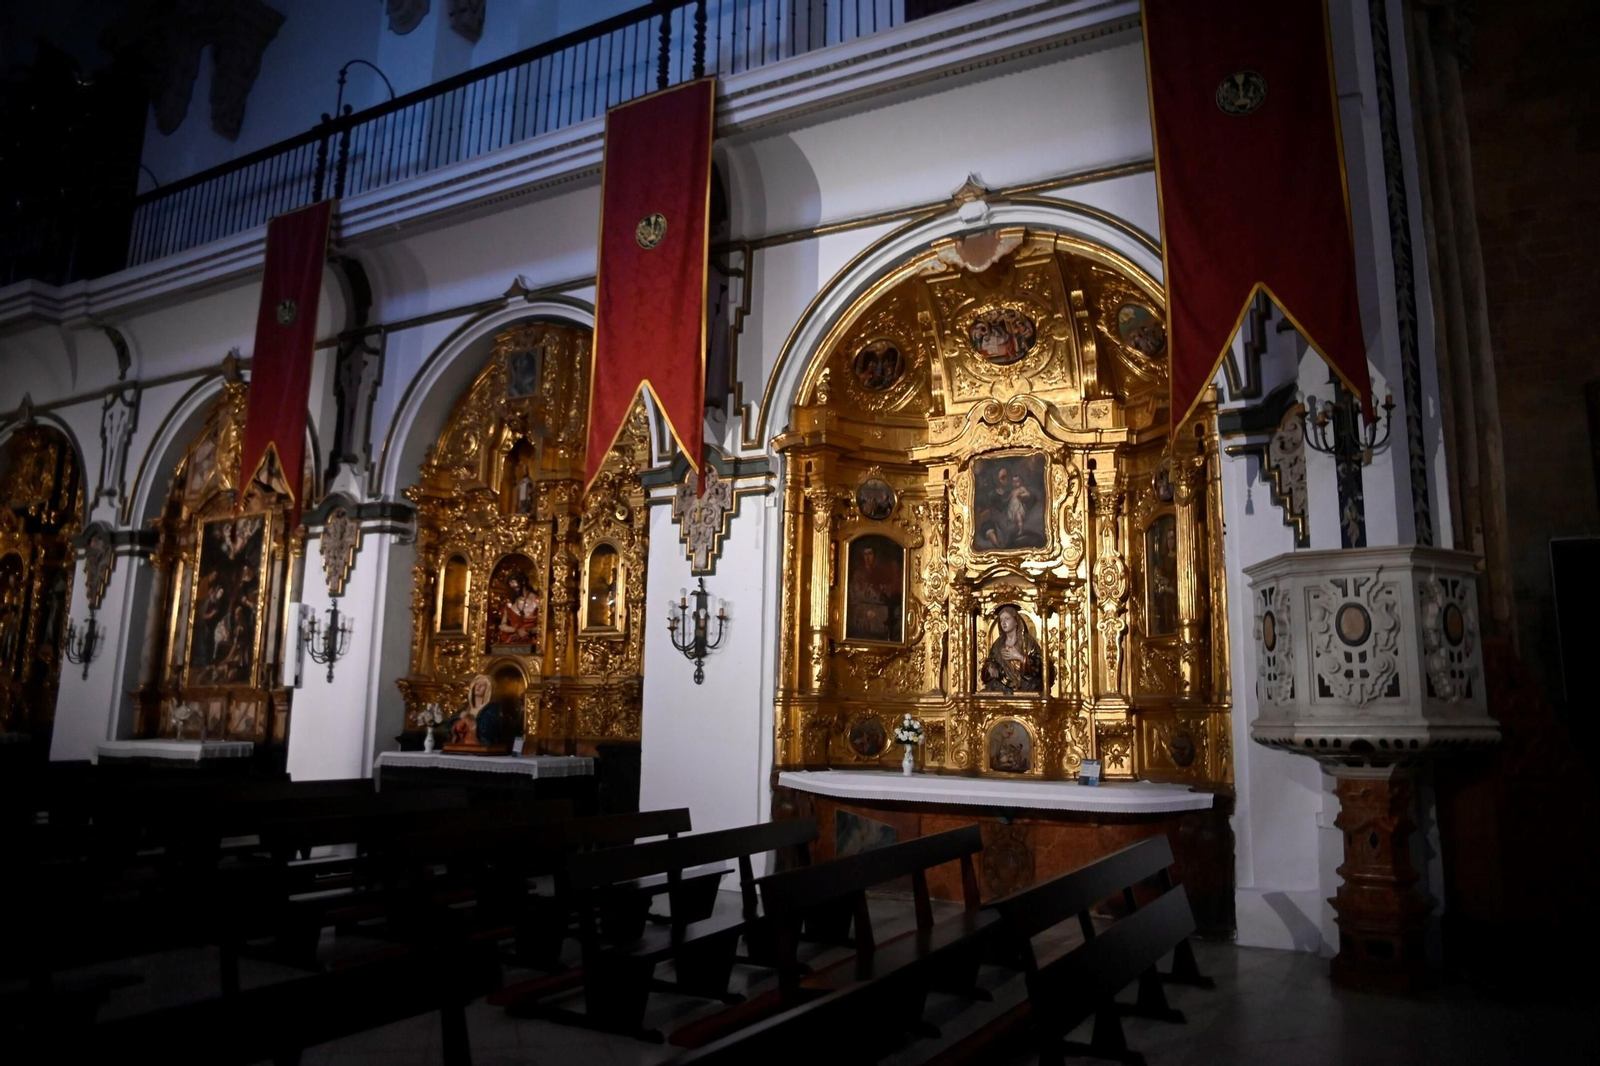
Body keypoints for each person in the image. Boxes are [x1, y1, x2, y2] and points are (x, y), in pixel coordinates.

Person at [980, 605, 1043, 694]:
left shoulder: (1027, 641)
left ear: (1016, 621)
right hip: (1002, 682)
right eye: (1001, 620)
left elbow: (1039, 664)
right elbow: (990, 661)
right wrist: (991, 667)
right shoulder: (998, 644)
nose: (1003, 623)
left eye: (1007, 619)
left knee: (1034, 685)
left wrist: (1020, 657)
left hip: (1025, 683)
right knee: (993, 685)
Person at [493, 569, 541, 647]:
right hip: (512, 641)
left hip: (532, 642)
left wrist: (529, 631)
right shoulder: (510, 604)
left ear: (523, 582)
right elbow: (502, 626)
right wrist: (516, 630)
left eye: (517, 588)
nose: (515, 591)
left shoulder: (537, 601)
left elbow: (544, 625)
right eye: (512, 588)